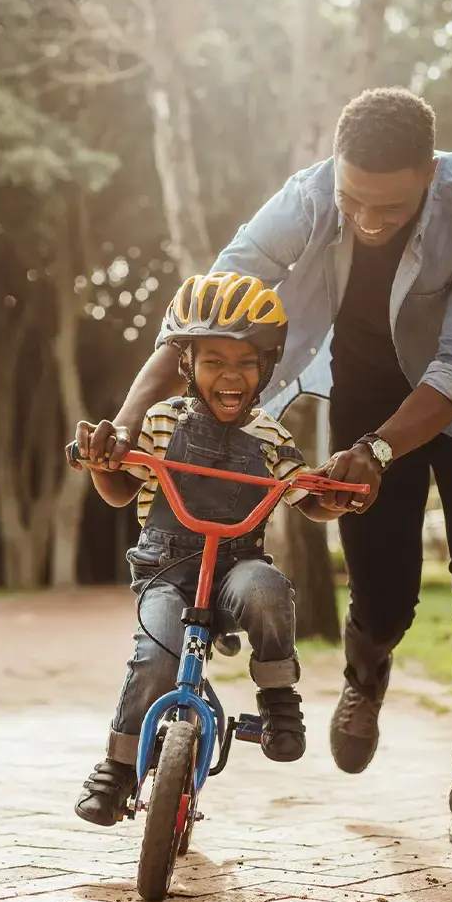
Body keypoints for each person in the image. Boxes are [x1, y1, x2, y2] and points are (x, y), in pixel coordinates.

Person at [79, 87, 452, 857]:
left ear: (430, 172)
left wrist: (381, 453)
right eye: (354, 201)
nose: (367, 221)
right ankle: (367, 673)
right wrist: (126, 424)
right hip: (367, 385)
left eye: (390, 209)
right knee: (385, 596)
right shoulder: (306, 197)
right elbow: (201, 316)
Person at [69, 271, 350, 828]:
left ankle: (277, 699)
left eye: (247, 363)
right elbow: (122, 488)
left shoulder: (271, 437)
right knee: (157, 655)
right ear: (187, 366)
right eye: (214, 360)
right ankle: (119, 767)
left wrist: (335, 496)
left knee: (269, 590)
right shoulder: (158, 421)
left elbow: (306, 497)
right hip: (167, 570)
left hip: (235, 568)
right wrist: (104, 464)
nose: (231, 375)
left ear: (266, 368)